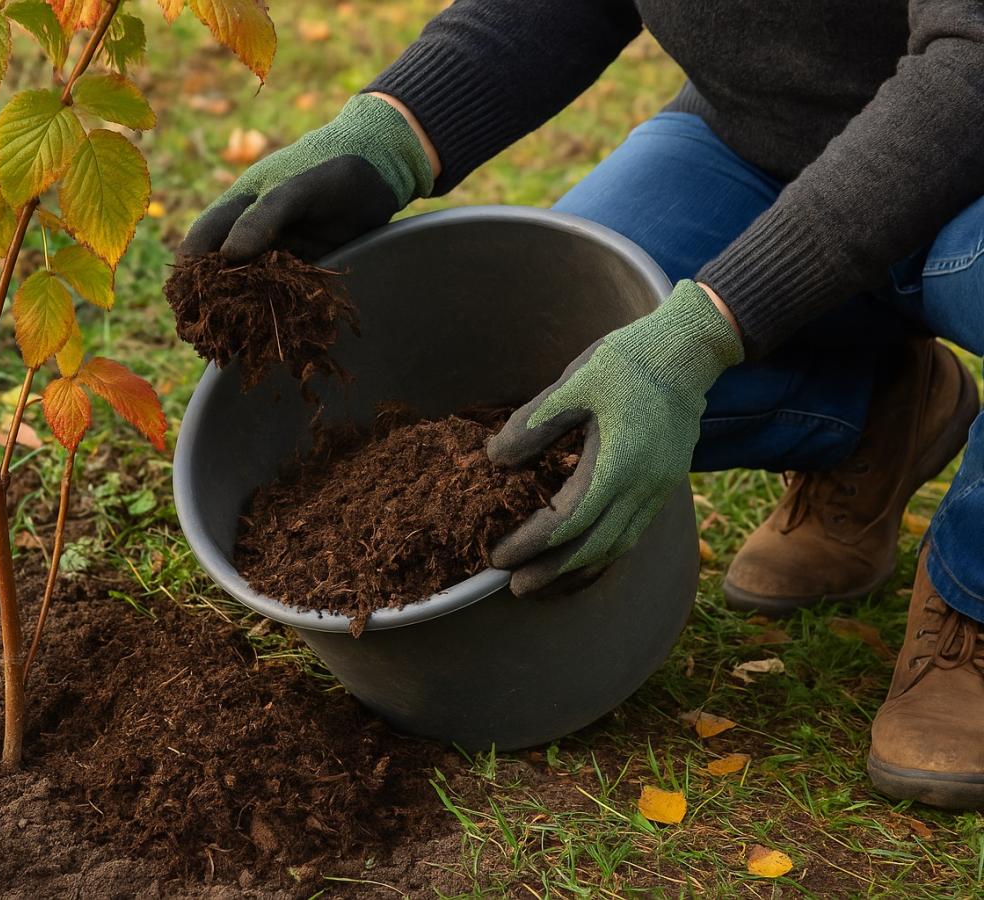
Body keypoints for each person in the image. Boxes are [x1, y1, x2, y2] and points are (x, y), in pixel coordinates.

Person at [179, 1, 984, 810]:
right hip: (765, 140)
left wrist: (701, 334)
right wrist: (393, 130)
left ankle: (972, 594)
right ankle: (873, 414)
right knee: (554, 331)